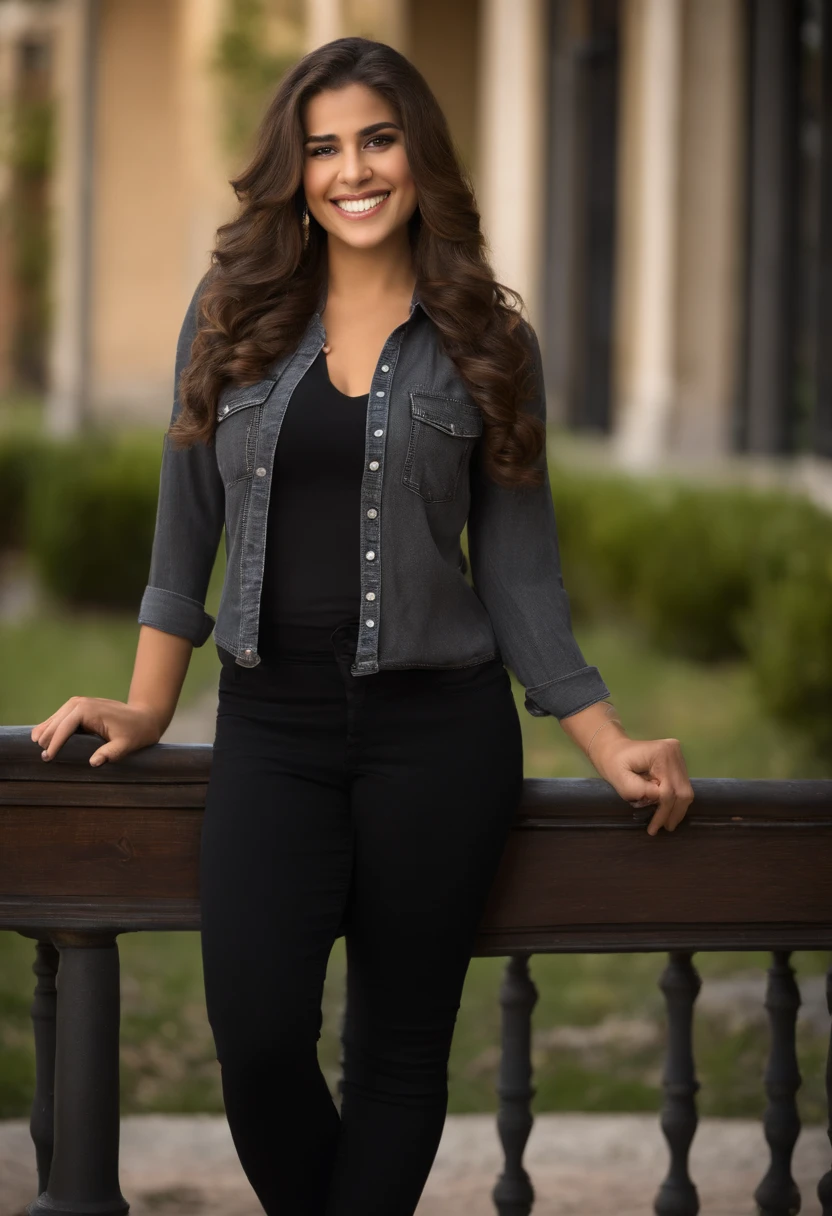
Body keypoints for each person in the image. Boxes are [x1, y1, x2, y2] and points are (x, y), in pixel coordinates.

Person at [30, 36, 694, 1216]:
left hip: (438, 740)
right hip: (272, 732)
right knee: (259, 1036)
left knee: (394, 1058)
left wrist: (607, 742)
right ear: (294, 168)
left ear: (418, 155)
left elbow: (524, 579)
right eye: (323, 146)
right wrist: (145, 698)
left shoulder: (490, 342)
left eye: (376, 140)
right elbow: (184, 524)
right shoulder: (233, 311)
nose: (352, 170)